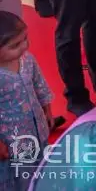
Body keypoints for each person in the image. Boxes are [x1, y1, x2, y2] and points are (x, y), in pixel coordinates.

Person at [0, 11, 54, 191]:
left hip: (38, 128)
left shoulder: (28, 61)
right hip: (13, 140)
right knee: (22, 174)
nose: (25, 46)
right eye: (15, 45)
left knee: (42, 168)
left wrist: (47, 110)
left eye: (25, 39)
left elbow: (40, 85)